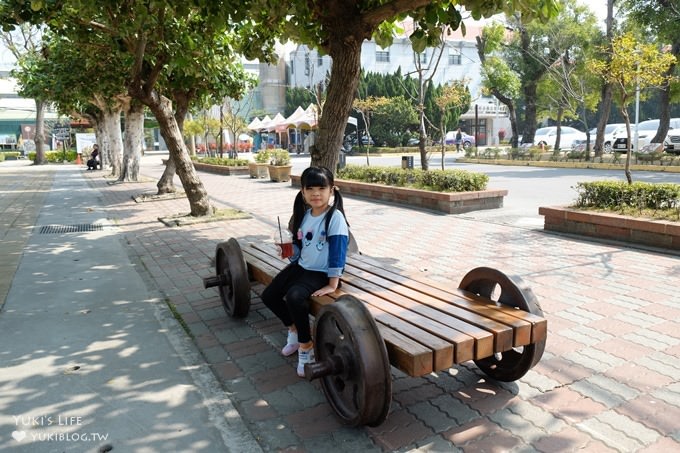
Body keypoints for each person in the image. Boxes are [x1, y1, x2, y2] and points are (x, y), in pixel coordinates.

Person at [261, 166, 350, 377]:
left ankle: (306, 347)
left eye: (321, 188)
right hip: (301, 266)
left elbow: (338, 252)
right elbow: (300, 249)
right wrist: (289, 251)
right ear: (302, 192)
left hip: (321, 272)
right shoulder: (306, 215)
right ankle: (293, 329)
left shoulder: (334, 218)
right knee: (269, 295)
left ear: (332, 190)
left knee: (294, 297)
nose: (316, 193)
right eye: (310, 189)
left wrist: (332, 283)